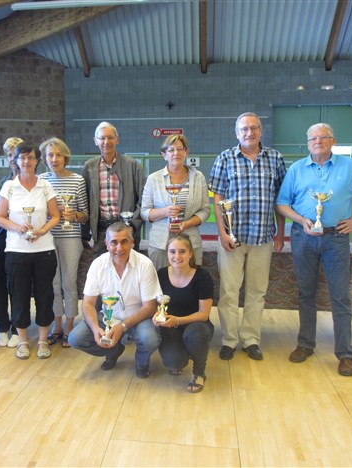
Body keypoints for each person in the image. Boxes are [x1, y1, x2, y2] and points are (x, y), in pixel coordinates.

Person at [276, 123, 352, 377]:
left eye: (323, 137)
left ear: (333, 141)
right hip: (303, 237)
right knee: (306, 294)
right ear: (307, 143)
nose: (318, 142)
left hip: (336, 238)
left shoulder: (349, 167)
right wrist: (302, 220)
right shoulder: (296, 169)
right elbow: (282, 203)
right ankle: (305, 345)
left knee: (340, 296)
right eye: (313, 138)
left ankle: (345, 354)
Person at [208, 112, 287, 361]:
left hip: (263, 236)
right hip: (233, 238)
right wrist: (221, 232)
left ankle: (251, 340)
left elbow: (281, 199)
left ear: (260, 131)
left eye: (253, 128)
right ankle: (229, 340)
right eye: (244, 129)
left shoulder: (275, 159)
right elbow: (217, 198)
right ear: (237, 133)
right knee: (229, 292)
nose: (249, 133)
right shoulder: (225, 158)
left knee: (257, 292)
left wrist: (281, 231)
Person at [68, 222, 162, 378]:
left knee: (149, 338)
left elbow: (150, 307)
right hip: (109, 318)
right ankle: (114, 350)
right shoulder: (97, 264)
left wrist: (123, 327)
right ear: (106, 244)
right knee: (75, 339)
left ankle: (142, 362)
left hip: (139, 318)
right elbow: (88, 303)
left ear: (132, 242)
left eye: (124, 241)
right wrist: (95, 328)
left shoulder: (145, 264)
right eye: (114, 242)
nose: (119, 248)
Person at [0, 143, 60, 360]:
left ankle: (42, 340)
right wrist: (18, 228)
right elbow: (0, 217)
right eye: (22, 157)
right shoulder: (9, 187)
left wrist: (42, 230)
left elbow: (56, 216)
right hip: (16, 251)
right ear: (15, 160)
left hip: (44, 250)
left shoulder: (45, 186)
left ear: (36, 160)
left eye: (30, 158)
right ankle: (23, 341)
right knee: (19, 296)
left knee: (45, 295)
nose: (26, 162)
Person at [38, 137, 89, 348]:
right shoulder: (40, 180)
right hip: (46, 239)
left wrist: (73, 216)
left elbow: (85, 214)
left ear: (65, 157)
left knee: (69, 283)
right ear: (44, 158)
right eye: (50, 155)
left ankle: (70, 325)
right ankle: (56, 325)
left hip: (70, 239)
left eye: (58, 154)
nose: (54, 158)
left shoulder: (77, 180)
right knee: (53, 284)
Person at [153, 234, 214, 393]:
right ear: (167, 253)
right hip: (170, 326)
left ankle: (199, 372)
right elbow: (156, 304)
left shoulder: (202, 276)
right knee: (174, 363)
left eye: (182, 251)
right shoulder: (160, 274)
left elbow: (204, 314)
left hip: (196, 325)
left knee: (196, 335)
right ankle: (184, 352)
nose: (177, 256)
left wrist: (178, 320)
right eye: (172, 252)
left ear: (190, 253)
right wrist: (156, 315)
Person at [141, 134, 210, 270]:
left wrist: (185, 224)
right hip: (160, 245)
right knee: (161, 285)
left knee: (190, 285)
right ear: (164, 154)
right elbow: (144, 212)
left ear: (186, 152)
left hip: (191, 243)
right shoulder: (153, 179)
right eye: (171, 150)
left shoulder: (198, 177)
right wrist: (165, 212)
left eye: (180, 149)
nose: (176, 153)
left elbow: (205, 210)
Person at [82, 121, 145, 254]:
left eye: (110, 137)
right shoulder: (89, 167)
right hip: (101, 233)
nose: (106, 142)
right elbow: (85, 200)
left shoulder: (133, 165)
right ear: (95, 141)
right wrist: (85, 233)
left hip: (127, 230)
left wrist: (132, 225)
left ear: (117, 140)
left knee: (130, 270)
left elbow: (144, 200)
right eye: (102, 138)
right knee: (103, 271)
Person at [0, 137, 24, 348]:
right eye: (9, 154)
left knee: (18, 286)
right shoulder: (2, 183)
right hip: (3, 238)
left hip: (23, 239)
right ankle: (2, 326)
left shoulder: (35, 182)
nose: (13, 158)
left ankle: (17, 326)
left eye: (17, 154)